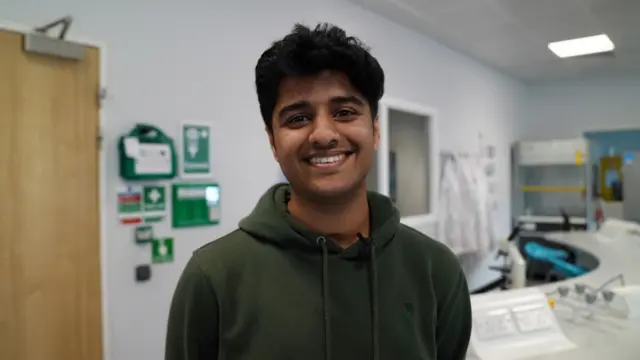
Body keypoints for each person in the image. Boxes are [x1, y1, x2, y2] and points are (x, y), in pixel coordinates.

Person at [165, 22, 472, 360]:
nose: (323, 134)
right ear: (273, 141)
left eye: (344, 112)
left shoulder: (435, 270)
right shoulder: (214, 277)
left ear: (374, 129)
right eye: (298, 119)